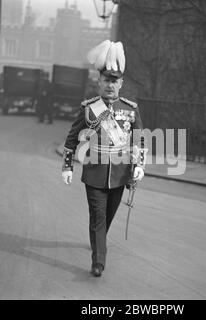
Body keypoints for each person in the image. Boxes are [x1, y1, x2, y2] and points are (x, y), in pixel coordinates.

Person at [61, 40, 148, 277]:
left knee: (106, 217)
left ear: (121, 83)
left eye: (114, 80)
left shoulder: (130, 109)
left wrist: (139, 164)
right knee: (98, 215)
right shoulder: (89, 108)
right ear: (99, 81)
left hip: (120, 175)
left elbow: (139, 140)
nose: (110, 85)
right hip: (94, 172)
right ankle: (98, 261)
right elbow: (72, 139)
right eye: (106, 80)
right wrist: (67, 167)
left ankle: (97, 240)